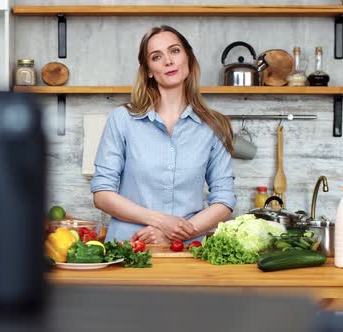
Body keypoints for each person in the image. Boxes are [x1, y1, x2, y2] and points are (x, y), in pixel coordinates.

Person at [90, 25, 237, 245]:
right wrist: (161, 221)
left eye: (175, 51)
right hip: (128, 248)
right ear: (149, 70)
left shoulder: (213, 126)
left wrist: (173, 235)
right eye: (156, 57)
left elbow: (224, 201)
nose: (168, 61)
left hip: (187, 253)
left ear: (188, 58)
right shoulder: (122, 119)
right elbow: (102, 194)